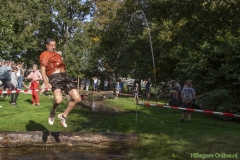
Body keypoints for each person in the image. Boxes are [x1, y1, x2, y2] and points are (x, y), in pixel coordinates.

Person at [39, 38, 81, 128]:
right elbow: (42, 71)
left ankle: (63, 116)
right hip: (54, 78)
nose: (53, 47)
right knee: (58, 100)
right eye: (51, 45)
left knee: (77, 99)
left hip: (64, 77)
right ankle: (53, 111)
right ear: (47, 45)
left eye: (54, 45)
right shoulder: (45, 54)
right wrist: (46, 82)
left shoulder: (57, 55)